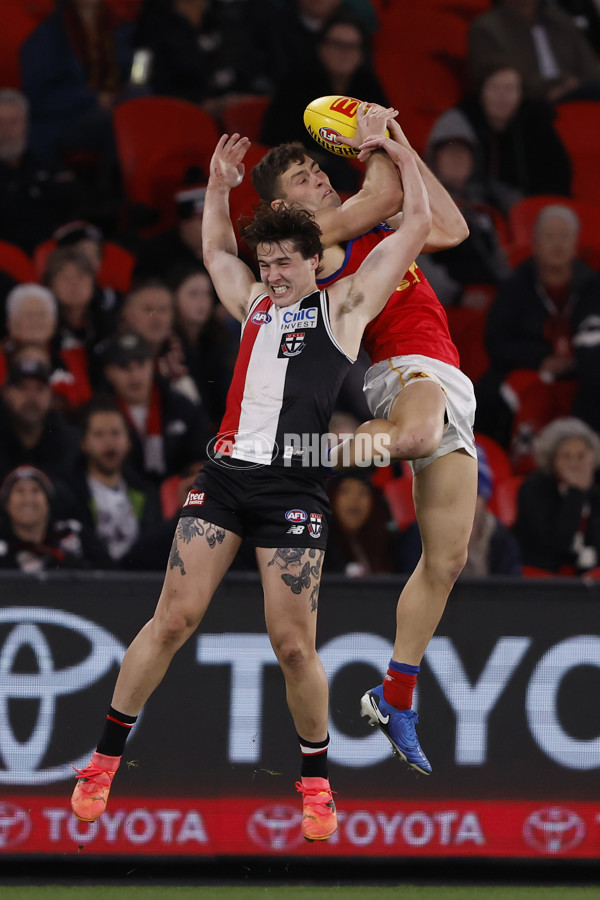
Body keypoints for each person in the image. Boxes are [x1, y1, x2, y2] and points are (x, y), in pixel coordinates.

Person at [69, 129, 433, 843]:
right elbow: (212, 253)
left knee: (294, 646)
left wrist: (399, 155)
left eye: (281, 264)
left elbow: (415, 224)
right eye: (262, 263)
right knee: (172, 618)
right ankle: (102, 763)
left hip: (295, 487)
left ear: (310, 259)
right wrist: (216, 183)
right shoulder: (254, 306)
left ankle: (317, 781)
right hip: (227, 476)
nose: (269, 275)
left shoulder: (345, 306)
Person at [251, 113, 477, 777]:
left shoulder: (369, 226)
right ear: (282, 205)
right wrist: (368, 131)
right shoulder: (311, 237)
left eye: (321, 167)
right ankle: (299, 451)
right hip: (403, 370)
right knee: (412, 433)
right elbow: (381, 194)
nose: (320, 175)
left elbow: (453, 227)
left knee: (448, 558)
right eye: (305, 175)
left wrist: (398, 146)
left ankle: (396, 693)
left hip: (448, 378)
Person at [477, 204, 599, 469]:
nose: (557, 244)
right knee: (486, 396)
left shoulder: (593, 286)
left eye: (565, 236)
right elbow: (496, 342)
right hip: (526, 367)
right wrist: (541, 359)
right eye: (550, 236)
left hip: (585, 370)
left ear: (576, 243)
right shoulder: (515, 286)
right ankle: (499, 467)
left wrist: (578, 360)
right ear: (534, 242)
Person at [260, 11, 390, 194]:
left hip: (358, 171)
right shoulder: (295, 84)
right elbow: (277, 141)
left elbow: (385, 134)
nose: (344, 53)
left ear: (362, 54)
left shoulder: (369, 87)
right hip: (303, 171)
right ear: (321, 47)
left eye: (352, 46)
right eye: (336, 44)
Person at [435, 63, 572, 204]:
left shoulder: (537, 122)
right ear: (481, 92)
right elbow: (447, 175)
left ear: (521, 94)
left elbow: (558, 176)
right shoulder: (460, 121)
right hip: (471, 202)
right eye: (494, 88)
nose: (501, 96)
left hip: (534, 204)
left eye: (509, 89)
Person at [65, 395, 174, 569]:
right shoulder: (69, 492)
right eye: (99, 434)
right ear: (84, 443)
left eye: (116, 433)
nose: (109, 442)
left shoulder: (147, 493)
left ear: (129, 442)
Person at [98, 331, 211, 484]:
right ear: (108, 372)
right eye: (124, 367)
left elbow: (202, 453)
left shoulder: (181, 406)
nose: (135, 375)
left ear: (152, 365)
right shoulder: (98, 415)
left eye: (141, 365)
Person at [0, 89, 93, 253]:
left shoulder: (48, 168)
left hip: (55, 256)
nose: (6, 130)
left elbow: (77, 202)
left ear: (25, 125)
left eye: (13, 122)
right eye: (0, 122)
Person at [513, 417, 600, 576]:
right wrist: (576, 493)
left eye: (581, 456)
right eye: (566, 456)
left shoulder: (596, 492)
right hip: (544, 581)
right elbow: (556, 546)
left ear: (592, 459)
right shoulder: (533, 490)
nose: (574, 463)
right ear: (553, 460)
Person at [467, 0, 600, 103]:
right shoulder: (486, 28)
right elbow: (495, 81)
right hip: (526, 105)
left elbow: (591, 69)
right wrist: (558, 84)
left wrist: (572, 84)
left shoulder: (561, 21)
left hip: (578, 93)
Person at [0, 465, 106, 573]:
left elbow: (110, 576)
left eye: (35, 490)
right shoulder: (3, 548)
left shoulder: (73, 533)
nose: (28, 499)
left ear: (48, 502)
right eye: (20, 491)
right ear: (6, 504)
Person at [0, 355, 81, 483]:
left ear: (50, 394)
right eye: (22, 388)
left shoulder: (68, 440)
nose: (31, 397)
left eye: (40, 389)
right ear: (6, 393)